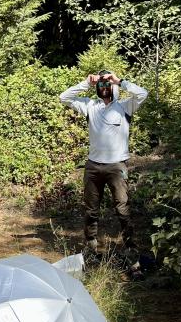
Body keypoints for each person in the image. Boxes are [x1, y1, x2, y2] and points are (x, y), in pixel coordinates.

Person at [59, 69, 148, 255]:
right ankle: (91, 248)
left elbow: (143, 93)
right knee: (91, 210)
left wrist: (119, 80)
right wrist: (86, 83)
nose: (105, 86)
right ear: (97, 87)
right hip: (93, 166)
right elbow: (64, 97)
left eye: (107, 83)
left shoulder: (125, 107)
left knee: (122, 209)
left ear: (113, 86)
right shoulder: (90, 106)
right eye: (102, 83)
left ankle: (131, 249)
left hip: (117, 167)